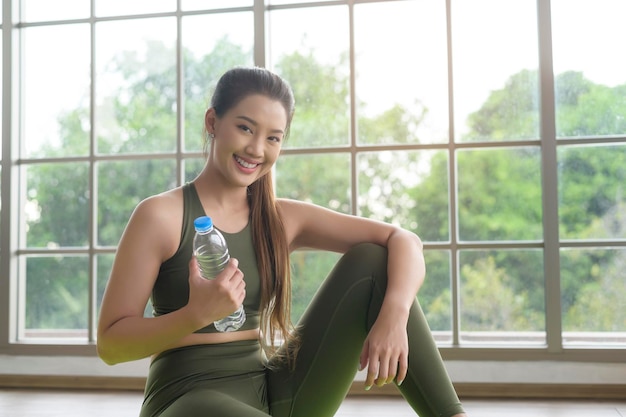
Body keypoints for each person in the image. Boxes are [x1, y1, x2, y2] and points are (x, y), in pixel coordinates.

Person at [97, 66, 468, 417]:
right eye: (245, 128)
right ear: (213, 122)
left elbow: (404, 240)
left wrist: (394, 314)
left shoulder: (280, 218)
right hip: (187, 396)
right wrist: (196, 315)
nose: (257, 149)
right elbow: (111, 345)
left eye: (273, 137)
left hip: (273, 390)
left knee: (373, 260)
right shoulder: (160, 215)